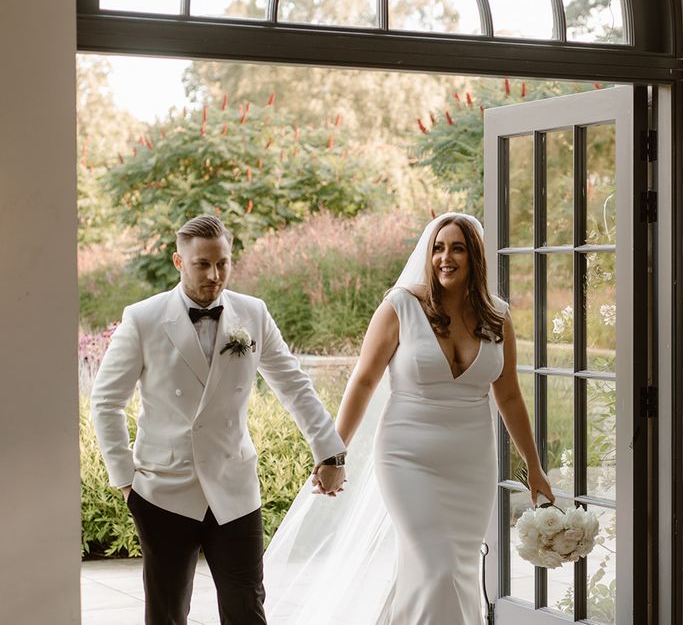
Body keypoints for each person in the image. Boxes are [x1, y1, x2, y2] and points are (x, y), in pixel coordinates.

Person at [90, 214, 347, 625]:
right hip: (164, 491)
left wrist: (330, 452)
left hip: (235, 488)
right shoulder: (144, 318)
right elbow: (105, 403)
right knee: (167, 614)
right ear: (179, 262)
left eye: (223, 263)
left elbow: (294, 386)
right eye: (202, 264)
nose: (214, 274)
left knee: (247, 608)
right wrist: (127, 483)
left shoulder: (253, 312)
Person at [333, 212, 553, 624]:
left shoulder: (497, 317)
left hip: (472, 464)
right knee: (438, 568)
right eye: (437, 248)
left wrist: (535, 469)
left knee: (456, 573)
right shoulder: (400, 306)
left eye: (457, 248)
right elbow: (363, 381)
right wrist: (333, 453)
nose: (444, 258)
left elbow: (509, 396)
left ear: (475, 257)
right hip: (407, 458)